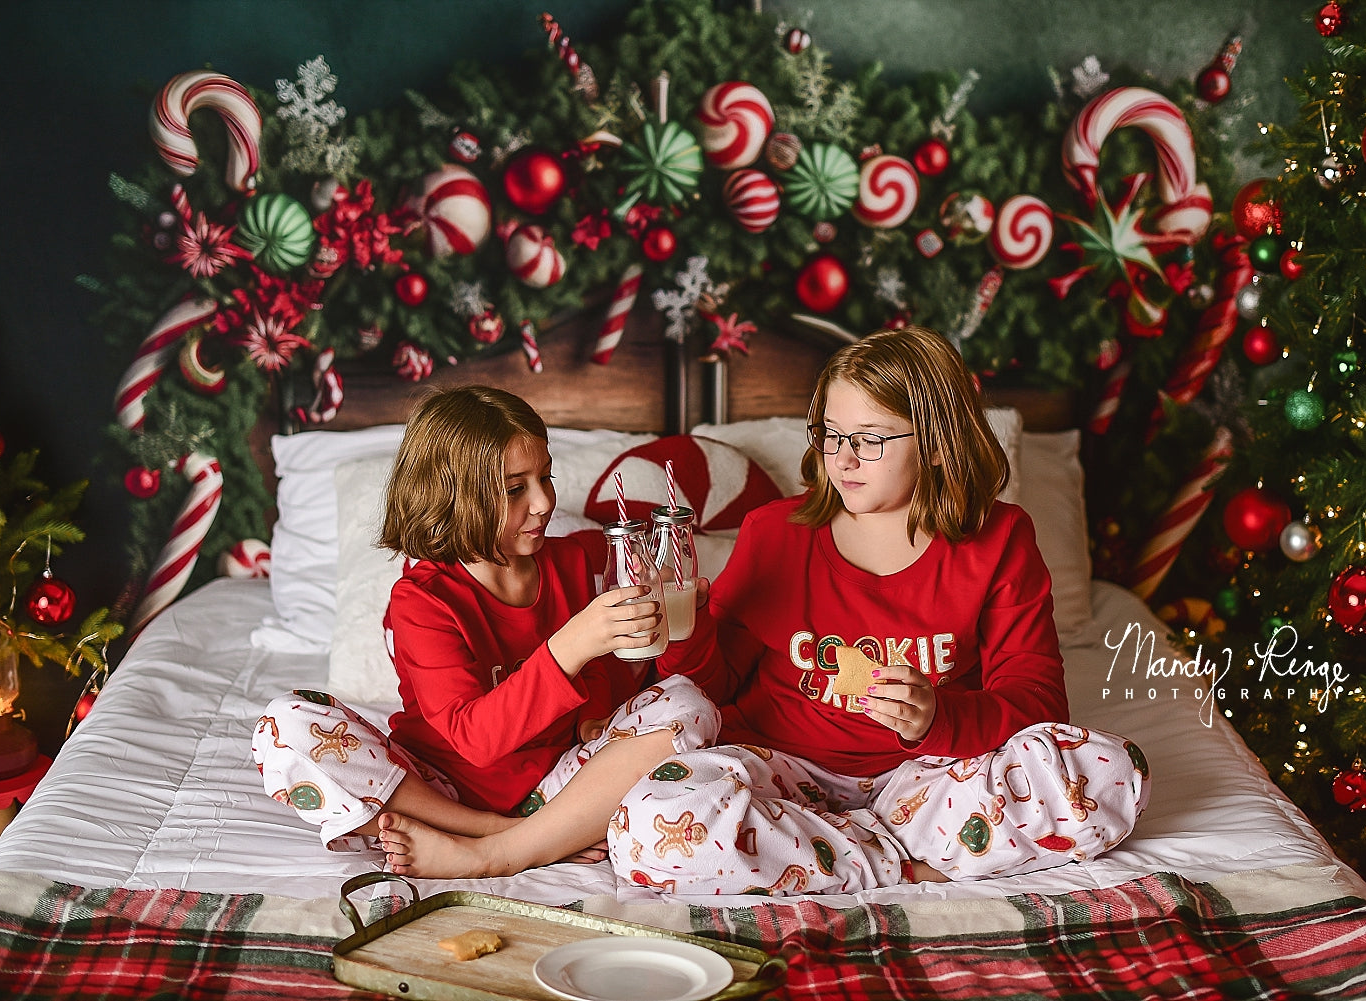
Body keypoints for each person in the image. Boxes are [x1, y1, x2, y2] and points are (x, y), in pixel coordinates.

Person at [612, 327, 1148, 895]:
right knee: (648, 821)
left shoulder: (1001, 539)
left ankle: (822, 851)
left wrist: (937, 718)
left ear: (939, 443)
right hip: (782, 770)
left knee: (1109, 772)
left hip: (930, 777)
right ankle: (891, 863)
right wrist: (683, 633)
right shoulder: (774, 532)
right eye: (831, 434)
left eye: (870, 439)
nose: (842, 458)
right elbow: (716, 686)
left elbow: (1038, 701)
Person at [252, 386, 719, 879]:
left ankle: (521, 838)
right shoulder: (422, 600)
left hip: (559, 785)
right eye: (515, 488)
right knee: (285, 726)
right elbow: (474, 740)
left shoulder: (583, 560)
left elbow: (636, 684)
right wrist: (572, 643)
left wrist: (681, 626)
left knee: (689, 705)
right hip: (437, 790)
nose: (543, 502)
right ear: (452, 495)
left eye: (545, 477)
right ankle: (497, 834)